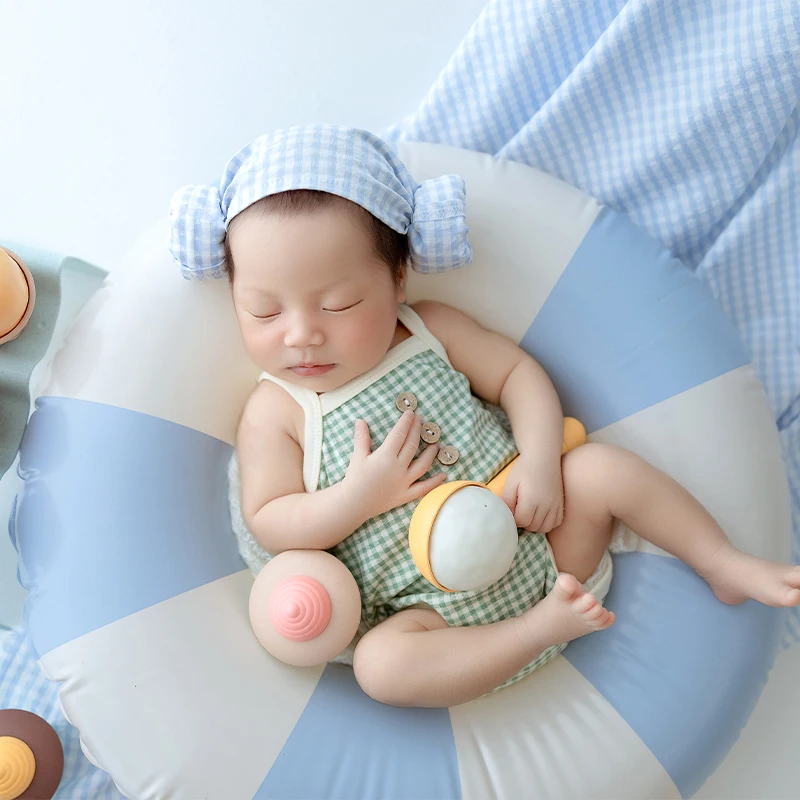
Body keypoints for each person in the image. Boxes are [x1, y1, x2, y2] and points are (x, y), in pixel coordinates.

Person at [169, 125, 800, 709]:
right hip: (434, 617)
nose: (301, 335)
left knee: (600, 469)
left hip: (548, 547)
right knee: (380, 668)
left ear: (397, 281)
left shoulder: (427, 331)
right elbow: (273, 521)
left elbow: (519, 377)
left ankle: (721, 562)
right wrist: (359, 497)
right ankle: (534, 632)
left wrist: (539, 462)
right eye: (263, 311)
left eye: (339, 304)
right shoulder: (276, 409)